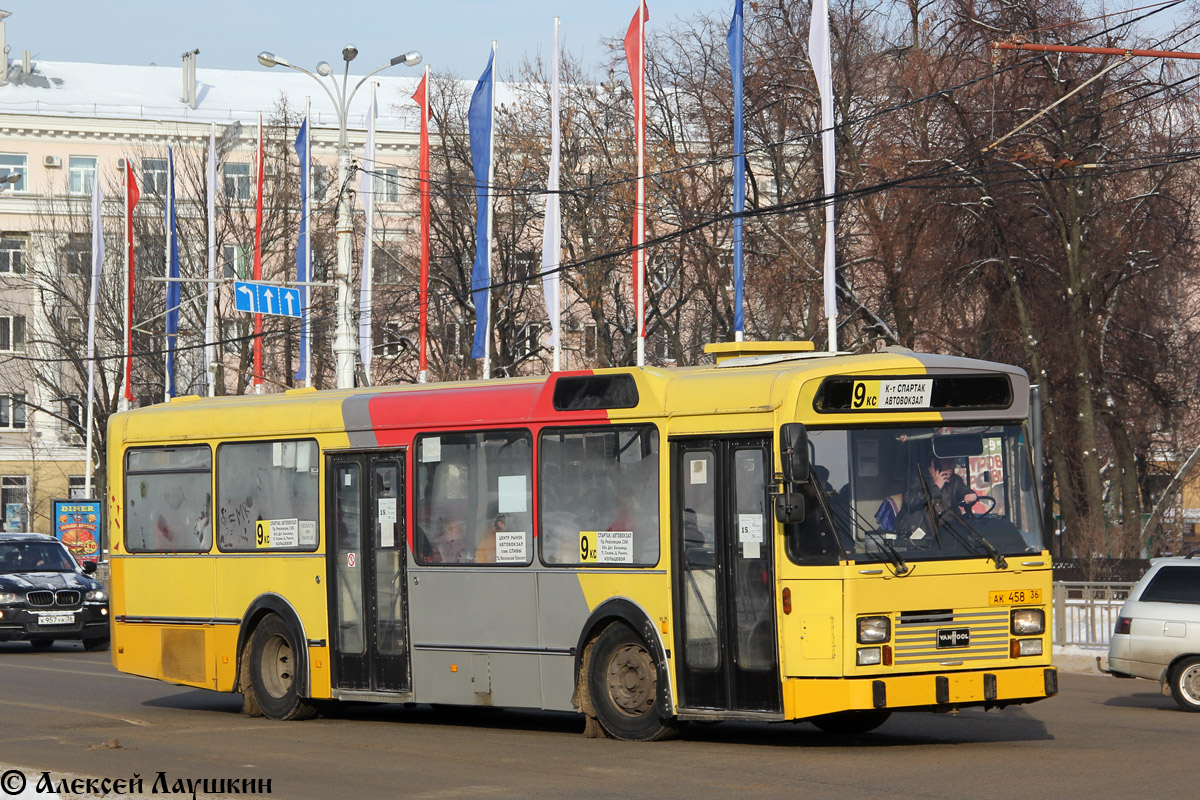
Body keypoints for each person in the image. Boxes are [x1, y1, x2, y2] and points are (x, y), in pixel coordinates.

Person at [898, 454, 977, 537]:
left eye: (953, 462)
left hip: (949, 531)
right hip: (921, 532)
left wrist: (969, 494)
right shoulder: (916, 477)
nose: (951, 466)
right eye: (947, 462)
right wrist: (936, 487)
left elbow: (962, 489)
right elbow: (910, 502)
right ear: (934, 462)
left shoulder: (954, 479)